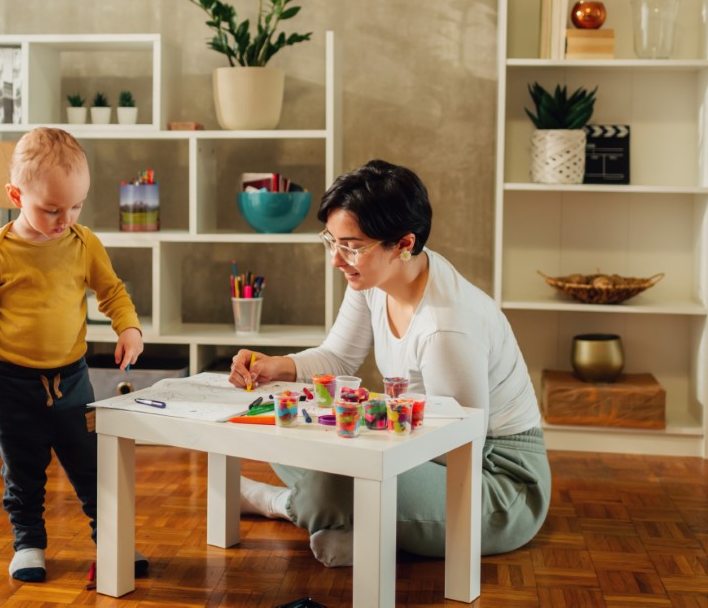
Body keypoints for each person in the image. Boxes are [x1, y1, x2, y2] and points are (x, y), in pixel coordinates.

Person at [229, 159, 550, 567]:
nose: (337, 260)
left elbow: (458, 448)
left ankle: (281, 503)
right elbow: (338, 356)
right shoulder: (374, 279)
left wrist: (359, 435)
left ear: (403, 244)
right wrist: (277, 367)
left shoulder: (446, 329)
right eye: (332, 241)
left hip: (493, 480)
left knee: (333, 479)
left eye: (351, 246)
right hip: (417, 442)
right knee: (279, 420)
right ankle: (368, 527)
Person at [0, 127, 146, 583]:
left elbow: (111, 291)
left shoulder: (82, 242)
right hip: (14, 385)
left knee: (93, 468)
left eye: (76, 205)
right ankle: (29, 543)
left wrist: (128, 327)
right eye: (51, 209)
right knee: (23, 474)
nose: (65, 218)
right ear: (16, 195)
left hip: (72, 382)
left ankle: (113, 542)